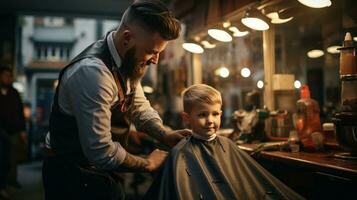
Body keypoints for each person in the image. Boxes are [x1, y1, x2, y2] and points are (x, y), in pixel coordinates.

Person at [42, 1, 190, 200]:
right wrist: (148, 163)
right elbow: (100, 151)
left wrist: (165, 135)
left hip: (98, 171)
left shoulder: (127, 60)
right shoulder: (93, 73)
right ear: (127, 38)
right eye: (152, 51)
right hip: (73, 176)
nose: (155, 60)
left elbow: (139, 108)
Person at [144, 84, 304, 200]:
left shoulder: (228, 145)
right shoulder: (180, 153)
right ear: (186, 118)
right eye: (202, 115)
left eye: (215, 114)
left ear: (221, 113)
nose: (210, 121)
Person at [0, 67, 26, 199]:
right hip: (1, 130)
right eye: (5, 75)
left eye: (10, 76)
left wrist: (22, 129)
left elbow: (20, 112)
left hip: (12, 131)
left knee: (9, 160)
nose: (8, 78)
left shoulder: (14, 92)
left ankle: (6, 183)